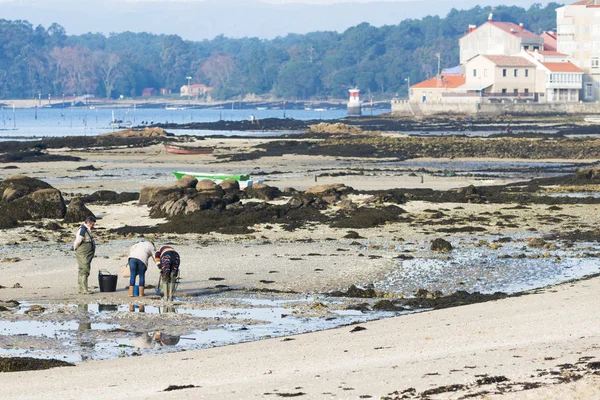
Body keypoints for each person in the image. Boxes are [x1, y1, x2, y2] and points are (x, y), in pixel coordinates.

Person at [73, 216, 96, 294]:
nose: (93, 226)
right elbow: (78, 241)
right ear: (88, 223)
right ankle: (84, 290)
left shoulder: (86, 229)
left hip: (87, 253)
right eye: (92, 224)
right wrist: (75, 248)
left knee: (82, 269)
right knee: (84, 269)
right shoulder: (82, 230)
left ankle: (81, 288)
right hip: (83, 252)